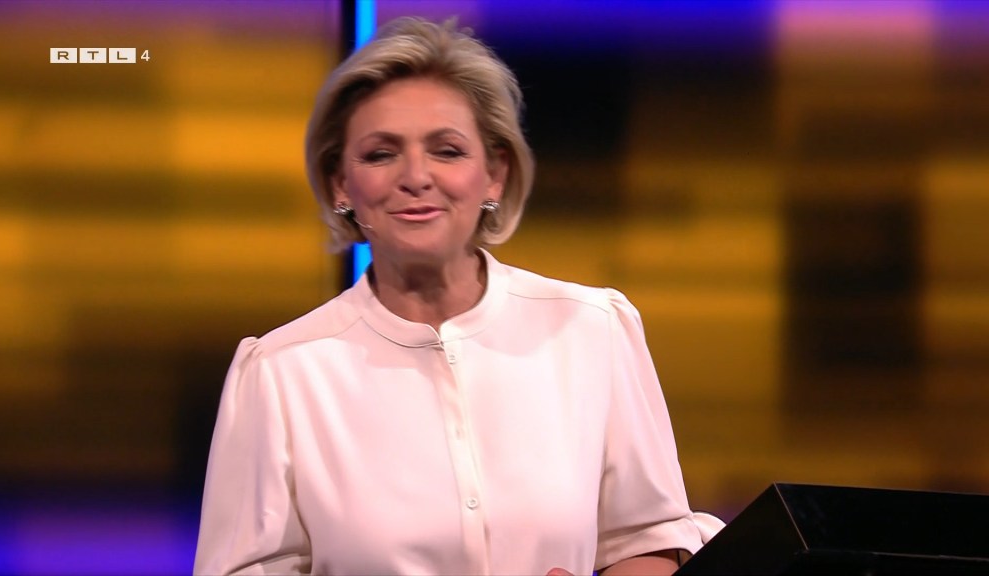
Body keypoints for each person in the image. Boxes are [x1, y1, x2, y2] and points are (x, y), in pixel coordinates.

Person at [194, 16, 721, 576]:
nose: (416, 176)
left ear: (494, 174)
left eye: (447, 150)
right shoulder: (282, 371)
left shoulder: (592, 329)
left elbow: (645, 537)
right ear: (340, 184)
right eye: (380, 154)